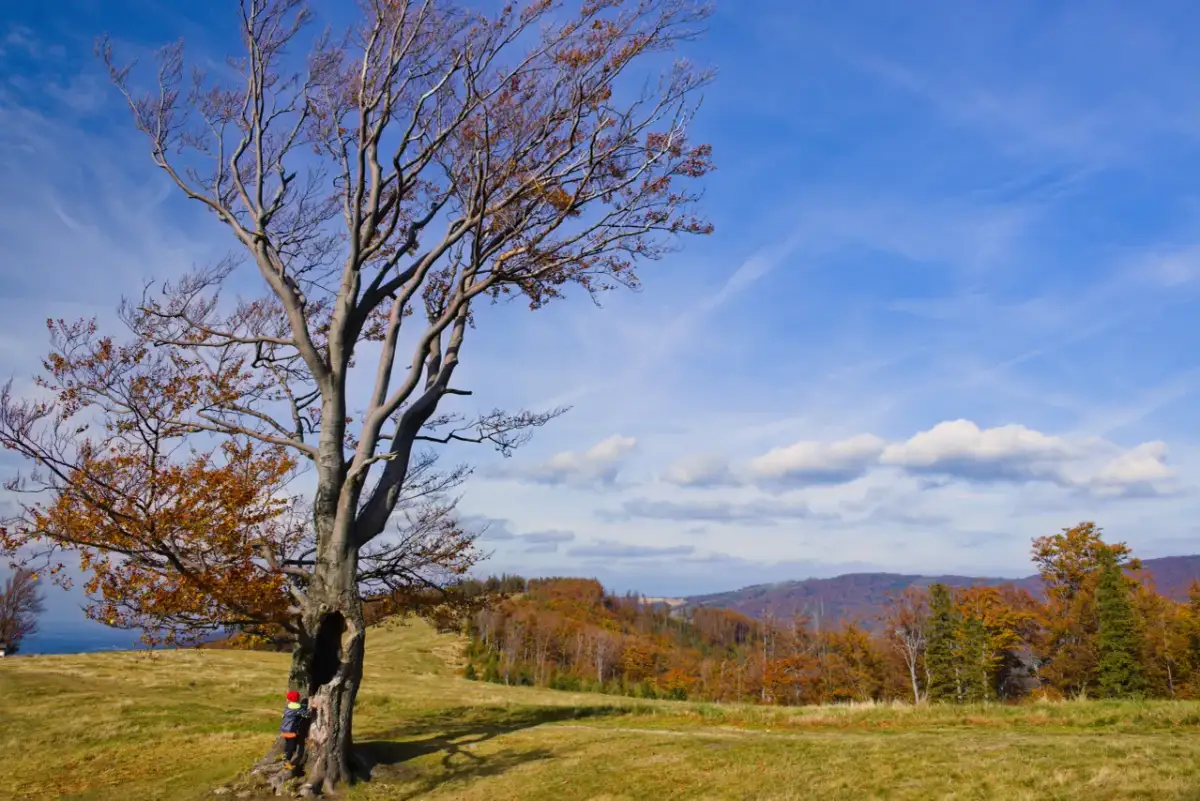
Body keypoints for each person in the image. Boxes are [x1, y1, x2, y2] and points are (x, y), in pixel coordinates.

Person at [279, 690, 311, 769]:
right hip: (291, 731)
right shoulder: (298, 709)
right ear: (298, 698)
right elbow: (307, 715)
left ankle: (285, 755)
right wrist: (312, 710)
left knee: (288, 742)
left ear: (289, 699)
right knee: (292, 746)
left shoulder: (288, 707)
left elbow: (283, 715)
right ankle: (287, 761)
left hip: (283, 729)